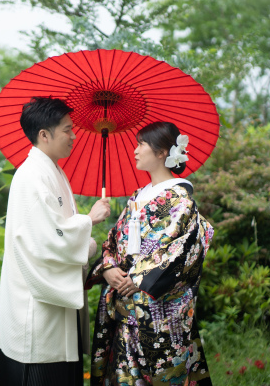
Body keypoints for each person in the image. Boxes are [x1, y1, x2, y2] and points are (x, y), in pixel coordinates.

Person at [0, 96, 112, 386]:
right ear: (44, 135)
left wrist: (84, 235)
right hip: (35, 305)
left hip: (53, 296)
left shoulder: (53, 171)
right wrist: (90, 220)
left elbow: (55, 229)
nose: (74, 136)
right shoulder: (32, 176)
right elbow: (45, 239)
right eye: (67, 129)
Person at [87, 121, 214, 386]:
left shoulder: (180, 200)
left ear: (161, 152)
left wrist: (139, 278)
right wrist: (109, 267)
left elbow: (183, 251)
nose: (135, 150)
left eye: (140, 144)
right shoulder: (137, 197)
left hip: (159, 312)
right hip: (124, 307)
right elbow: (113, 241)